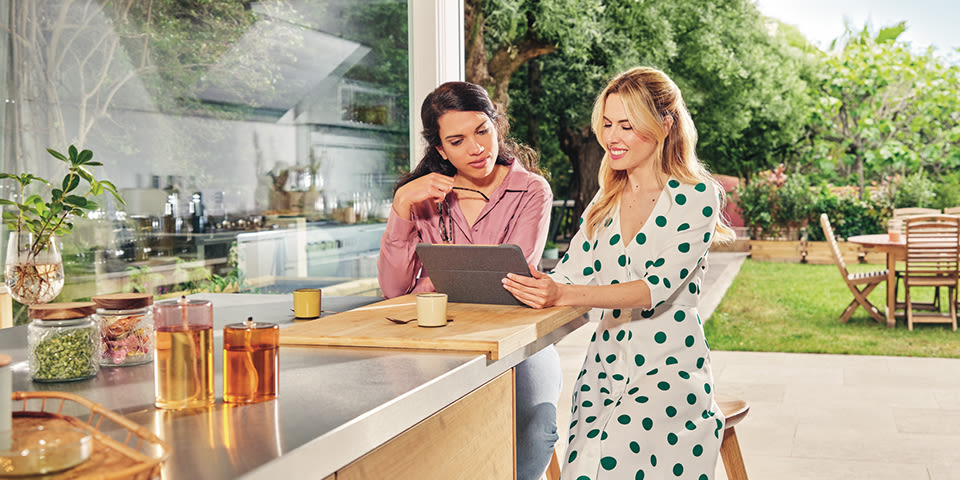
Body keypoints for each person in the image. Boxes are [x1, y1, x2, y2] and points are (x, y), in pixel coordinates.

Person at [502, 67, 735, 480]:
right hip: (604, 369)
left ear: (665, 124)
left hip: (669, 371)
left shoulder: (698, 196)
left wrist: (563, 294)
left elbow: (653, 289)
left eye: (627, 126)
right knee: (585, 460)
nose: (612, 137)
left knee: (614, 452)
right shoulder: (603, 202)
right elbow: (570, 275)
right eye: (607, 124)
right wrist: (534, 286)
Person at [377, 81, 560, 480]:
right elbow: (394, 289)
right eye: (457, 141)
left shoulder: (530, 190)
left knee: (536, 430)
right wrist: (401, 205)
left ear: (497, 126)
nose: (476, 148)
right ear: (441, 150)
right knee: (417, 435)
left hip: (515, 336)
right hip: (436, 338)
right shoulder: (421, 197)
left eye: (482, 131)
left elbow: (507, 279)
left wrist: (434, 283)